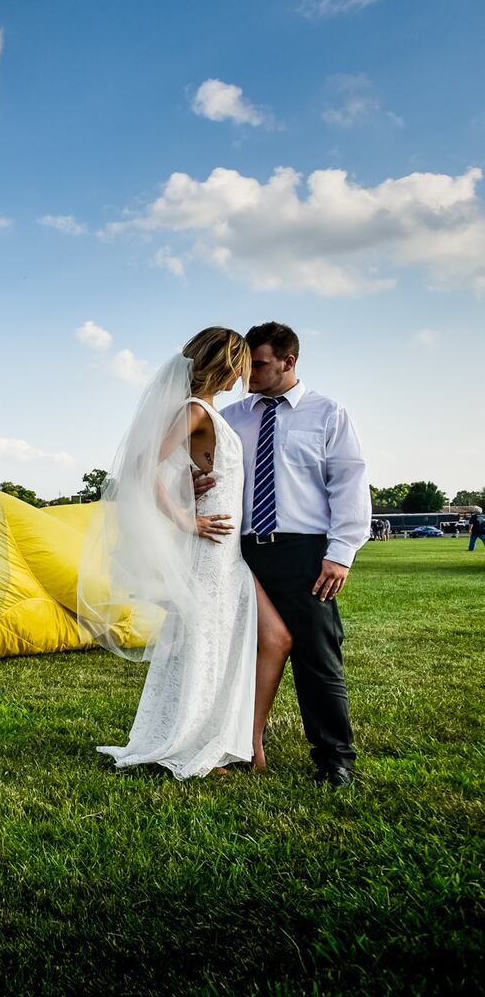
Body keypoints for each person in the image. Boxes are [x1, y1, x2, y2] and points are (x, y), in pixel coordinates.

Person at [80, 327, 291, 779]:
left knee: (250, 639)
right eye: (243, 361)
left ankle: (227, 737)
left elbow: (192, 467)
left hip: (227, 550)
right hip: (209, 547)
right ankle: (196, 744)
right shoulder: (195, 410)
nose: (246, 370)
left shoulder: (209, 412)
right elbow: (140, 464)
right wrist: (181, 516)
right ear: (227, 363)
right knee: (205, 641)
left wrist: (186, 487)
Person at [215, 322, 369, 788]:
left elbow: (349, 482)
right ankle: (234, 742)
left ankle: (335, 758)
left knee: (317, 655)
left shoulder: (328, 414)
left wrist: (340, 554)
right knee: (234, 649)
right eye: (245, 367)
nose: (249, 376)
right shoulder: (232, 416)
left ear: (289, 361)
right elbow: (212, 470)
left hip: (305, 551)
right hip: (239, 551)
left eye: (259, 365)